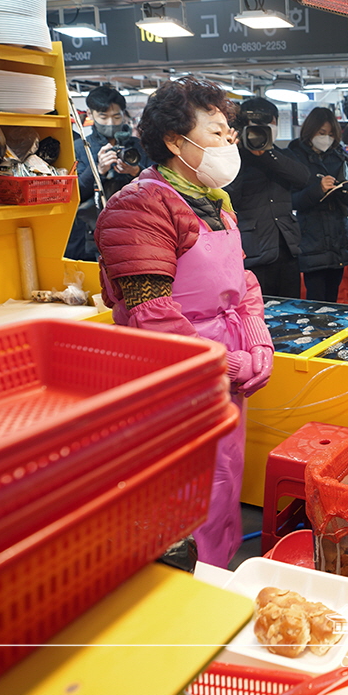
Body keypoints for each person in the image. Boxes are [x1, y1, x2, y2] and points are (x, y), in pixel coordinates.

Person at [93, 77, 274, 567]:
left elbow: (244, 283)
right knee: (183, 496)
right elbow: (151, 314)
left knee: (222, 481)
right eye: (216, 133)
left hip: (221, 376)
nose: (229, 144)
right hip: (174, 383)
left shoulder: (215, 202)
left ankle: (219, 579)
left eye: (229, 134)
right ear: (176, 141)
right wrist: (228, 362)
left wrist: (257, 341)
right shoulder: (138, 205)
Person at [225, 97, 309, 298]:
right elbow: (229, 201)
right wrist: (236, 151)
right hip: (253, 251)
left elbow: (303, 178)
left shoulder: (281, 154)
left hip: (286, 247)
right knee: (257, 312)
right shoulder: (232, 158)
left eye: (268, 124)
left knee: (292, 311)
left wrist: (266, 153)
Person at [286, 107, 348, 302]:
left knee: (333, 298)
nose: (326, 138)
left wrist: (343, 190)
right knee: (316, 299)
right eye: (322, 133)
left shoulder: (340, 155)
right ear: (310, 130)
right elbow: (290, 200)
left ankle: (333, 332)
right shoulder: (293, 156)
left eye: (331, 134)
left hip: (338, 235)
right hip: (310, 236)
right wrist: (318, 190)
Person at [66, 86, 150, 261]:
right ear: (91, 114)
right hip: (93, 235)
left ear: (123, 114)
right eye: (103, 117)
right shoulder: (81, 148)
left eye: (116, 116)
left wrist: (136, 172)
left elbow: (160, 188)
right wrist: (98, 170)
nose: (111, 123)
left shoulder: (140, 147)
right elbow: (75, 194)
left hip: (137, 229)